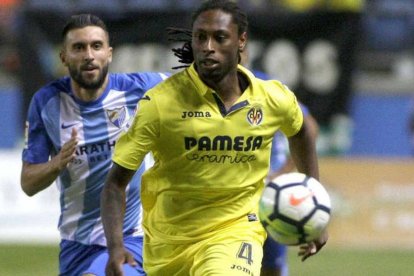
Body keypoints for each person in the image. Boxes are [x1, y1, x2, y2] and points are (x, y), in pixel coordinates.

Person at [101, 1, 328, 275]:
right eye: (200, 37)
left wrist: (312, 201)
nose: (208, 47)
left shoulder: (272, 97)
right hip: (169, 244)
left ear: (241, 41)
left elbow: (302, 130)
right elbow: (115, 185)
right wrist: (115, 248)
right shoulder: (159, 104)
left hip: (236, 231)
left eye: (219, 38)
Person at [20, 14, 167, 276]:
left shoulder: (139, 89)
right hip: (75, 245)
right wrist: (57, 164)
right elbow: (28, 183)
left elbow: (194, 83)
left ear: (109, 54)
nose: (89, 55)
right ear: (63, 57)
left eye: (96, 46)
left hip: (132, 238)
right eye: (79, 47)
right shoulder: (47, 103)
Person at [240, 47, 319, 276]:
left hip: (266, 194)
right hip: (228, 193)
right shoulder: (205, 90)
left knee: (270, 267)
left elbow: (308, 128)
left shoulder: (266, 86)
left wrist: (283, 172)